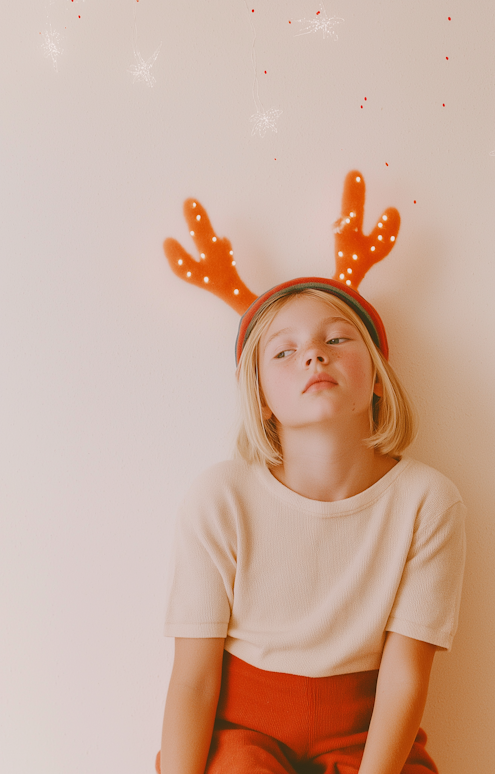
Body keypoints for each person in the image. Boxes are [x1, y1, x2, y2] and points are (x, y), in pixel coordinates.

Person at [156, 279, 466, 774]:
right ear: (260, 400)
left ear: (379, 378)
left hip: (367, 737)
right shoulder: (221, 497)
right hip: (244, 736)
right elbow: (193, 680)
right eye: (284, 351)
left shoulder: (427, 501)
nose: (314, 356)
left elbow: (406, 675)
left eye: (337, 339)